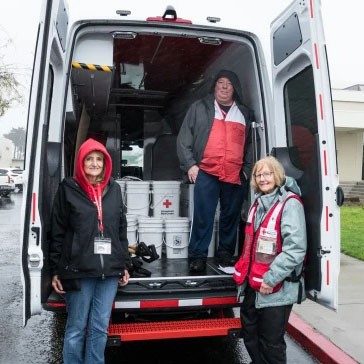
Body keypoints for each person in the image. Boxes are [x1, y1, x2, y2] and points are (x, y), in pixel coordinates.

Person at [50, 138, 130, 364]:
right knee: (76, 328)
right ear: (81, 162)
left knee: (99, 328)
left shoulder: (114, 189)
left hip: (109, 272)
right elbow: (57, 231)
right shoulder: (68, 189)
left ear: (106, 164)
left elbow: (120, 228)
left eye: (99, 159)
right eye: (89, 159)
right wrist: (57, 269)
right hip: (78, 271)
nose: (95, 164)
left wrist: (124, 263)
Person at [177, 69, 254, 273]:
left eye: (229, 83)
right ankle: (197, 257)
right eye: (221, 82)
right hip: (207, 172)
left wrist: (246, 170)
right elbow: (183, 139)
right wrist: (191, 165)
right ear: (214, 86)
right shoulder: (199, 107)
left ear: (235, 88)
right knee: (203, 216)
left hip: (234, 174)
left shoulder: (245, 113)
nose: (224, 87)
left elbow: (252, 145)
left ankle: (225, 256)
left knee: (231, 217)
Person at [233, 156, 307, 364]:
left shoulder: (290, 204)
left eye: (268, 173)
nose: (263, 178)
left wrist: (271, 278)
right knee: (250, 334)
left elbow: (296, 248)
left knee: (271, 342)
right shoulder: (258, 203)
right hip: (253, 284)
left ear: (277, 175)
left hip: (276, 286)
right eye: (259, 174)